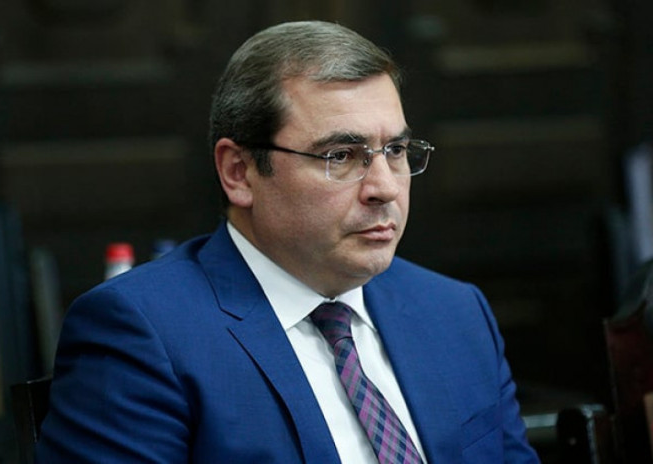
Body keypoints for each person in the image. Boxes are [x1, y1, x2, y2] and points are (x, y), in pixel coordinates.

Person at [35, 20, 539, 463]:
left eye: (396, 150)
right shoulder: (141, 334)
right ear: (239, 172)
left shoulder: (454, 312)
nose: (385, 187)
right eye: (341, 156)